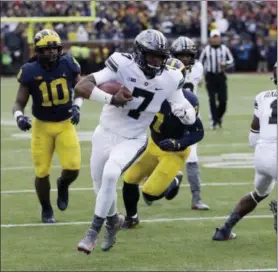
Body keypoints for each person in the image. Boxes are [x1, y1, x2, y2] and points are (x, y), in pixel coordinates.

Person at [74, 29, 197, 254]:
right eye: (152, 55)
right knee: (99, 185)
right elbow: (81, 87)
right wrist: (112, 99)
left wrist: (185, 113)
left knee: (112, 173)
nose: (156, 61)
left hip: (133, 137)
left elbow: (188, 114)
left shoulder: (171, 77)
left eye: (161, 56)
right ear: (140, 52)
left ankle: (92, 232)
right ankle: (112, 220)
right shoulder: (122, 64)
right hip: (105, 131)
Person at [12, 29, 82, 223]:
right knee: (42, 171)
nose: (52, 53)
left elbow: (81, 89)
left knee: (73, 168)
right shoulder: (30, 70)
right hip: (41, 126)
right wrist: (19, 117)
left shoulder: (68, 63)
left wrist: (77, 106)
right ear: (38, 51)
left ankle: (63, 185)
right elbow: (19, 102)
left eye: (55, 49)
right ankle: (46, 208)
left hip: (65, 123)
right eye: (47, 49)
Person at [122, 85, 205, 229]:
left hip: (175, 152)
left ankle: (174, 179)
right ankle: (131, 218)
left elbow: (198, 131)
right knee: (129, 179)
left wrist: (178, 143)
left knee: (149, 194)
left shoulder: (188, 100)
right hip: (153, 144)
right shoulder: (151, 93)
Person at [212, 62, 277, 241]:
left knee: (259, 194)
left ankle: (224, 230)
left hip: (261, 154)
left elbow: (254, 133)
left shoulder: (263, 96)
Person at [169, 36, 209, 210]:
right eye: (181, 55)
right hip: (167, 116)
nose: (184, 59)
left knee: (192, 158)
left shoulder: (198, 67)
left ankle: (196, 198)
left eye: (187, 55)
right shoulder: (167, 68)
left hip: (189, 116)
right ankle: (160, 184)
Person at [199, 29, 234, 129]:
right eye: (213, 37)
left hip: (221, 76)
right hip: (210, 76)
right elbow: (200, 63)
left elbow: (231, 60)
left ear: (220, 38)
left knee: (223, 100)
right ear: (210, 39)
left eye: (217, 37)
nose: (215, 39)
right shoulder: (206, 50)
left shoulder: (224, 49)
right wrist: (200, 77)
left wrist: (225, 64)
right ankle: (214, 121)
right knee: (212, 100)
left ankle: (217, 117)